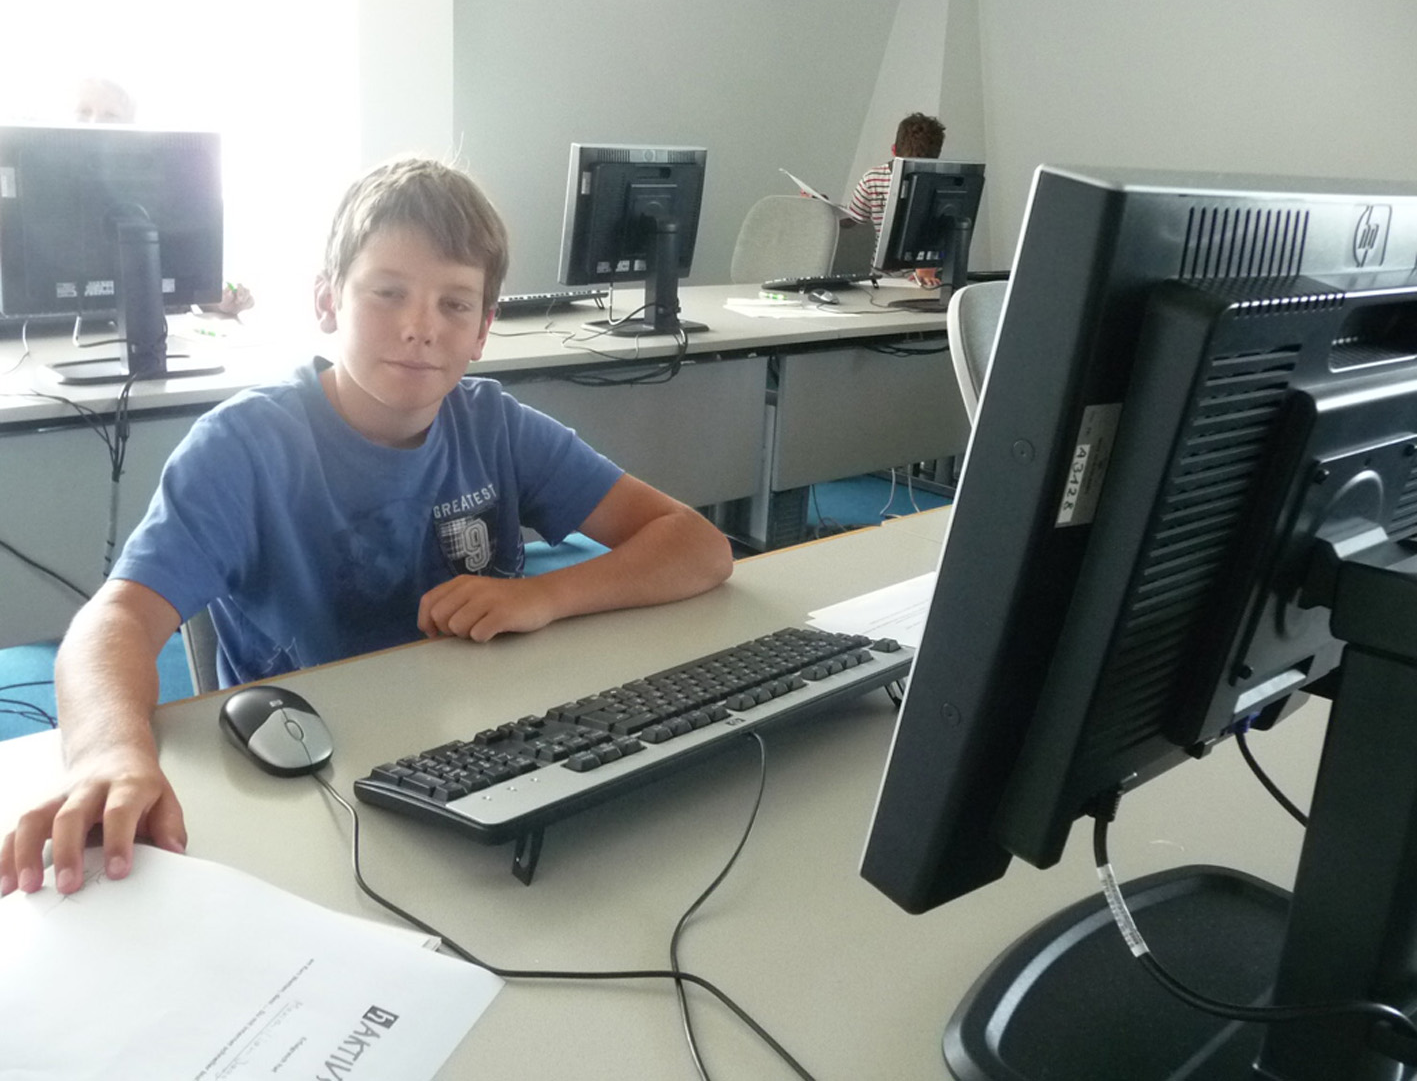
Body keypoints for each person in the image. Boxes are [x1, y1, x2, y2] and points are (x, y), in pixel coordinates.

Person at [0, 156, 735, 898]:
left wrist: (544, 596)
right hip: (308, 775)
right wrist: (108, 752)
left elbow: (697, 547)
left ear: (483, 330)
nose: (420, 327)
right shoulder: (245, 448)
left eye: (455, 304)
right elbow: (116, 620)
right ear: (328, 301)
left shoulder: (497, 427)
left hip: (484, 748)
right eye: (388, 293)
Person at [71, 74, 254, 315]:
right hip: (60, 329)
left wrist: (217, 300)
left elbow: (186, 273)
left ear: (131, 123)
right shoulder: (41, 178)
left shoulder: (165, 176)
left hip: (155, 326)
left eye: (110, 115)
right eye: (84, 112)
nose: (94, 122)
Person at [844, 112, 947, 288]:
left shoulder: (943, 184)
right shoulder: (873, 179)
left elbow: (945, 234)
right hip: (882, 275)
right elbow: (852, 219)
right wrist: (822, 207)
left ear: (893, 150)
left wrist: (928, 265)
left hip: (929, 275)